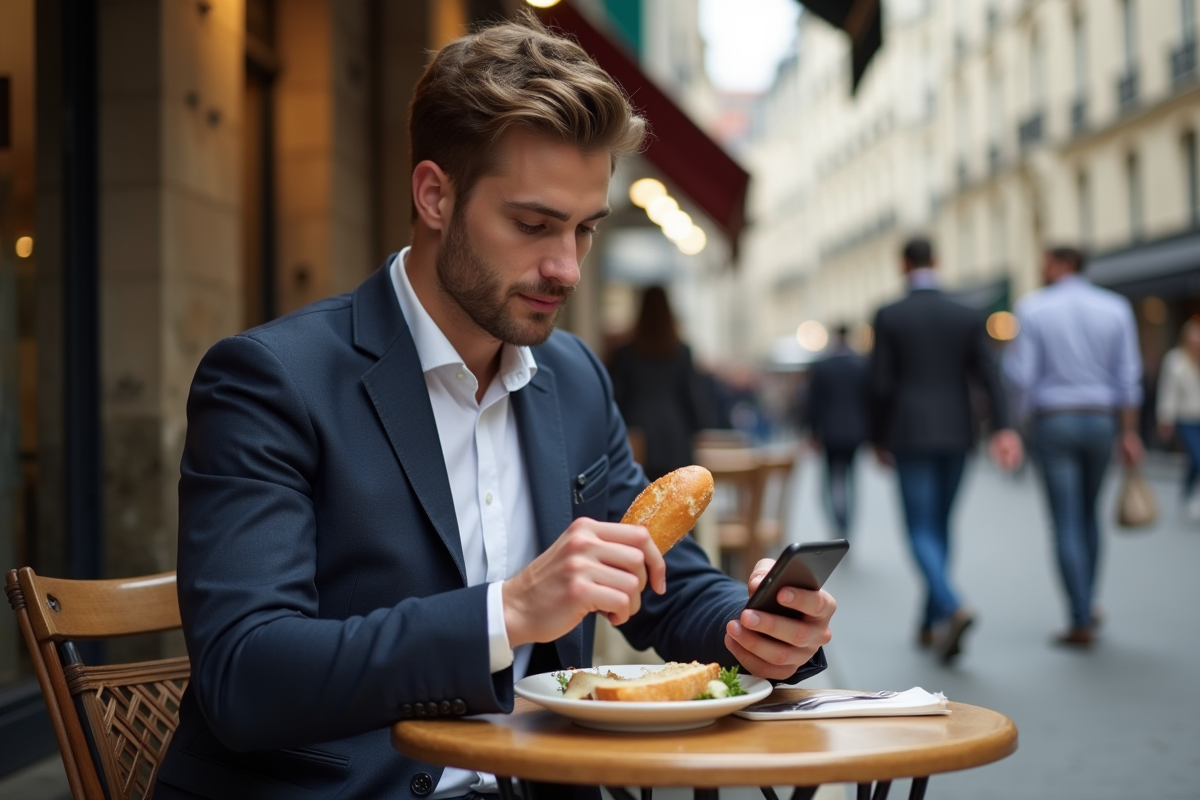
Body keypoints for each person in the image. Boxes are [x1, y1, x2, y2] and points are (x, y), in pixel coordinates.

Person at [156, 15, 835, 800]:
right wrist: (506, 612)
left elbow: (665, 582)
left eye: (584, 230)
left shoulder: (574, 377)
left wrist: (753, 628)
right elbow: (246, 675)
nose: (566, 267)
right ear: (435, 195)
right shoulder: (271, 381)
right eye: (533, 224)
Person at [869, 237, 1023, 665]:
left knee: (921, 526)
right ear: (938, 261)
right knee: (940, 524)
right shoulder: (966, 312)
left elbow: (879, 384)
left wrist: (878, 437)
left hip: (909, 432)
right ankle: (931, 618)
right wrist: (1005, 428)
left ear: (903, 264)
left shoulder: (889, 315)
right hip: (958, 431)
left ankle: (952, 605)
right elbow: (991, 375)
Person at [1005, 246, 1144, 647]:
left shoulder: (1033, 308)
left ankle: (1079, 614)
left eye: (1045, 261)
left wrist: (1018, 425)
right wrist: (1130, 432)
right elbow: (1129, 375)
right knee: (1088, 514)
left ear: (1063, 263)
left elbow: (1021, 377)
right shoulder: (1115, 308)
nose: (1040, 268)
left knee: (1065, 519)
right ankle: (1089, 602)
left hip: (1055, 421)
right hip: (1101, 419)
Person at [608, 286, 715, 481]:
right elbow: (691, 395)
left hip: (637, 432)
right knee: (677, 497)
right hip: (675, 433)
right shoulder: (682, 351)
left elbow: (617, 396)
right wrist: (701, 426)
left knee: (641, 498)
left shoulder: (625, 352)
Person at [805, 325, 869, 538]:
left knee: (830, 480)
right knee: (851, 480)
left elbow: (813, 403)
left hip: (830, 433)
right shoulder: (860, 364)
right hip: (855, 432)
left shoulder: (823, 366)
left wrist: (813, 432)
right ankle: (847, 522)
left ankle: (838, 521)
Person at [1156, 317, 1200, 521]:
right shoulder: (1175, 360)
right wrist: (1165, 418)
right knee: (1197, 457)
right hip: (1186, 418)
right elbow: (1168, 391)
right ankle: (1190, 497)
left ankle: (1187, 495)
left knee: (1194, 461)